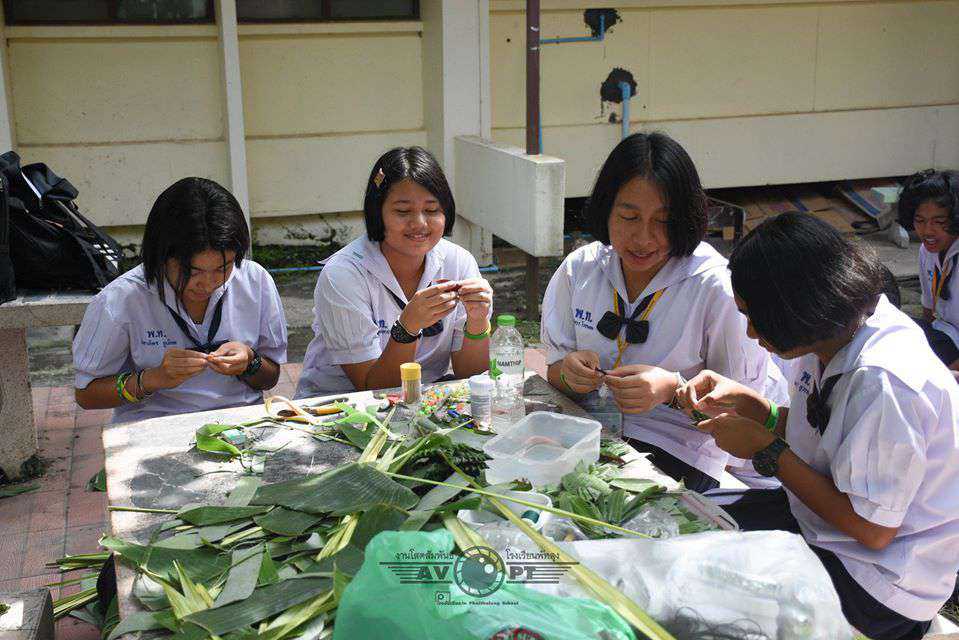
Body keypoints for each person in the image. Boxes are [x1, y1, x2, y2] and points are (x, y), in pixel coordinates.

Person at [679, 213, 959, 640]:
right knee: (684, 517)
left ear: (794, 307)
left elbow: (873, 530)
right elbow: (831, 436)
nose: (750, 333)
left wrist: (766, 450)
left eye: (754, 317)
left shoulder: (884, 381)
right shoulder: (830, 333)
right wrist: (759, 410)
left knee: (702, 592)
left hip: (877, 581)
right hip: (822, 526)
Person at [540, 132, 783, 493]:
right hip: (589, 428)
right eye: (629, 217)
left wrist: (672, 391)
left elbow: (740, 415)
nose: (643, 238)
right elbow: (554, 370)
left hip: (680, 448)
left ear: (685, 219)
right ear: (606, 210)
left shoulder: (715, 286)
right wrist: (568, 372)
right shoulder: (581, 269)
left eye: (663, 221)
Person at [73, 177, 287, 423]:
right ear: (161, 256)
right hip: (156, 426)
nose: (208, 283)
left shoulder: (255, 280)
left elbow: (270, 377)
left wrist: (250, 361)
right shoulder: (120, 300)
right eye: (193, 272)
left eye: (223, 268)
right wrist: (152, 379)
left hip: (239, 422)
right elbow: (86, 394)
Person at [295, 147, 493, 398]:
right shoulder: (343, 275)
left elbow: (471, 375)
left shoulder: (458, 262)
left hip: (420, 400)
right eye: (402, 211)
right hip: (338, 404)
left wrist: (477, 321)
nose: (419, 223)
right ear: (377, 213)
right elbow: (372, 388)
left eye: (432, 210)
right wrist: (407, 328)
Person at [897, 169, 959, 374]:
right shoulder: (926, 252)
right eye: (920, 220)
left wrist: (944, 377)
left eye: (939, 222)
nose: (927, 231)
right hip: (943, 337)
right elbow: (928, 311)